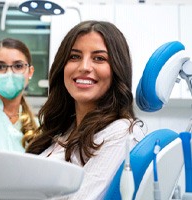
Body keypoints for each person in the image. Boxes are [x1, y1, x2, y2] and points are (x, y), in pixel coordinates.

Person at [26, 20, 146, 199]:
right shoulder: (63, 131)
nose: (84, 67)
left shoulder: (122, 133)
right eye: (74, 57)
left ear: (117, 70)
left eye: (99, 58)